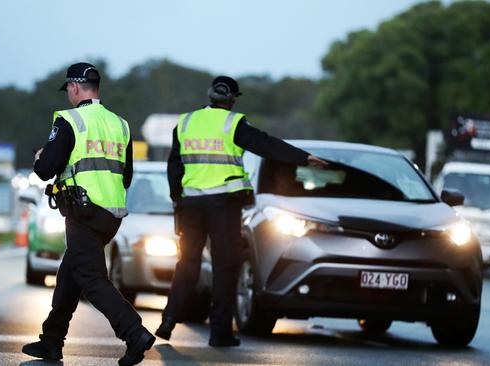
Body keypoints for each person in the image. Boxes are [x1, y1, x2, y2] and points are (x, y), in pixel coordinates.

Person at [156, 76, 327, 346]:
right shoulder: (233, 123)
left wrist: (178, 199)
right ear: (233, 99)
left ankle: (168, 319)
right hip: (223, 205)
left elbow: (174, 166)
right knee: (226, 266)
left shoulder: (186, 122)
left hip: (191, 205)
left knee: (187, 263)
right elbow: (266, 144)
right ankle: (220, 332)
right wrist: (303, 157)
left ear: (210, 95)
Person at [22, 62, 155, 366]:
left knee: (92, 278)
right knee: (70, 274)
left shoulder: (70, 120)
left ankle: (135, 333)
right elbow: (127, 174)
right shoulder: (120, 124)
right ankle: (51, 342)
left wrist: (40, 157)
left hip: (83, 212)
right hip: (111, 215)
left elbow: (44, 170)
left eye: (68, 88)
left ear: (74, 87)